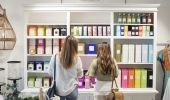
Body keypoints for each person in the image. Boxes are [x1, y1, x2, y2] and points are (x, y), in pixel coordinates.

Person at [48, 35, 83, 100]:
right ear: (76, 46)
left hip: (57, 91)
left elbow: (49, 72)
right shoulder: (77, 59)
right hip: (72, 90)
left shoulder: (55, 57)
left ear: (64, 44)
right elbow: (80, 75)